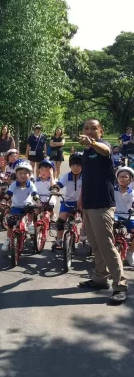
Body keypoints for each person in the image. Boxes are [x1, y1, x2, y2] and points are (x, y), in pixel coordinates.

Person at [78, 117, 128, 304]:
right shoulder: (86, 151)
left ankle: (120, 285)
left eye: (93, 128)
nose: (90, 131)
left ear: (101, 131)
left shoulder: (103, 146)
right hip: (89, 204)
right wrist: (81, 199)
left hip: (102, 204)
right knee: (95, 243)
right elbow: (87, 178)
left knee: (107, 245)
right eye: (86, 128)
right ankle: (100, 279)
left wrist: (93, 142)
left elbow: (106, 150)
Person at [50, 153, 85, 249]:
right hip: (68, 201)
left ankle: (83, 230)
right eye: (73, 165)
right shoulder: (67, 176)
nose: (75, 168)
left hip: (82, 202)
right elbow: (59, 184)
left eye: (78, 165)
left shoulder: (85, 176)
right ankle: (59, 240)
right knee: (60, 222)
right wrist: (55, 189)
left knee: (86, 218)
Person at [1, 161, 38, 251]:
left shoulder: (31, 185)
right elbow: (8, 194)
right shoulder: (14, 185)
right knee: (10, 223)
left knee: (31, 209)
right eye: (20, 173)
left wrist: (38, 200)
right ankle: (8, 239)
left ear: (29, 175)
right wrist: (4, 200)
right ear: (16, 174)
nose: (23, 175)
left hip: (27, 206)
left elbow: (34, 194)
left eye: (25, 173)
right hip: (16, 207)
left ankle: (30, 224)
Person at [114, 166, 134, 266]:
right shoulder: (112, 190)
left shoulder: (132, 192)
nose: (123, 178)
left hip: (128, 216)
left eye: (126, 177)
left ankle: (130, 253)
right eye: (120, 176)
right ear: (117, 178)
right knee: (106, 232)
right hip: (115, 215)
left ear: (130, 179)